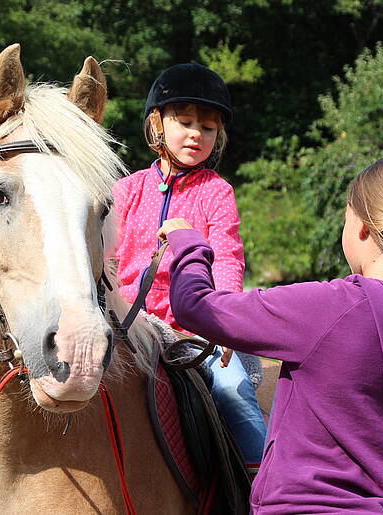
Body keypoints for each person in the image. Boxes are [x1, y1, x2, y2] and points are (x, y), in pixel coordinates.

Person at [159, 155, 383, 514]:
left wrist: (189, 243)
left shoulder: (335, 307)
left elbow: (196, 306)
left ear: (363, 228)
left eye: (347, 218)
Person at [111, 62, 267, 473]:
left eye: (208, 127)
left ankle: (266, 484)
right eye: (185, 122)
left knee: (234, 391)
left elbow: (228, 256)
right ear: (157, 125)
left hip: (198, 325)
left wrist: (226, 318)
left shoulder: (217, 192)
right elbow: (108, 259)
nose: (197, 134)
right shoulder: (126, 190)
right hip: (133, 324)